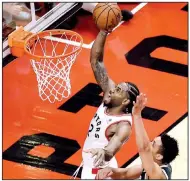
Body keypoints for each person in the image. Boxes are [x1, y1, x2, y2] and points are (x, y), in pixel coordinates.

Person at [72, 28, 140, 180]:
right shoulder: (109, 98)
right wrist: (103, 31)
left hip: (100, 174)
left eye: (118, 90)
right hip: (90, 166)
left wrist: (105, 152)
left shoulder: (123, 125)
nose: (111, 90)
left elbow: (113, 148)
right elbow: (96, 62)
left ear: (125, 101)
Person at [96, 93, 179, 180]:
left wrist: (137, 115)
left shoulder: (158, 175)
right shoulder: (152, 166)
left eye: (153, 144)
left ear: (159, 156)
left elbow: (144, 148)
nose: (149, 143)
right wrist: (110, 170)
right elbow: (125, 174)